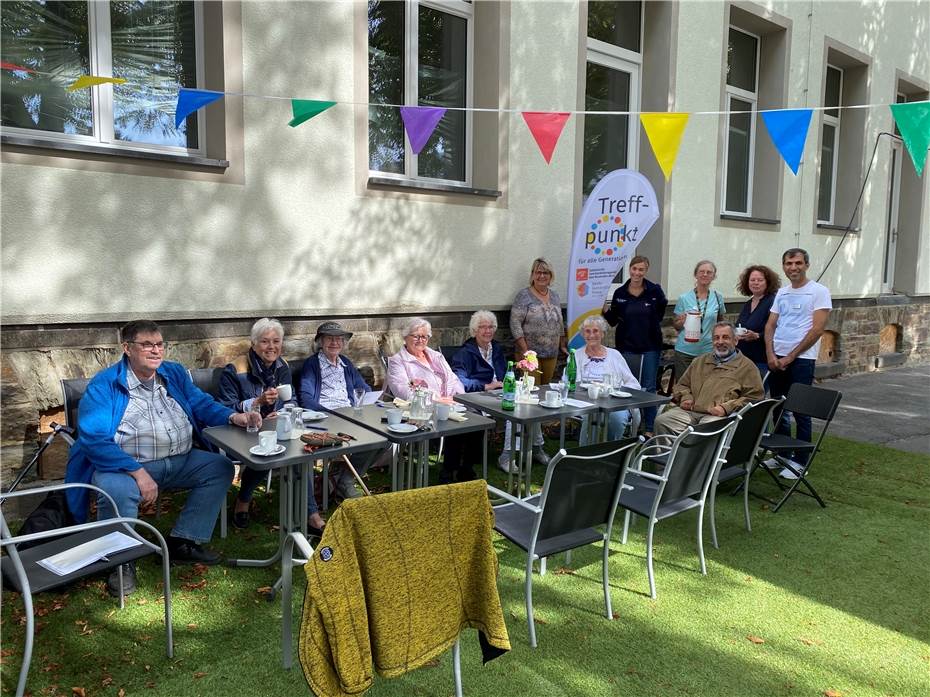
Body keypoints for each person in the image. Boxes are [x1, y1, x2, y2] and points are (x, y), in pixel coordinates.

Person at [64, 319, 260, 596]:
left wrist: (233, 416)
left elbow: (200, 402)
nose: (156, 351)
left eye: (159, 344)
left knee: (220, 467)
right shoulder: (105, 385)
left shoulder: (173, 373)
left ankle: (183, 541)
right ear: (127, 348)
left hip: (179, 460)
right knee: (115, 489)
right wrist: (137, 472)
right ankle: (120, 562)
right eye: (147, 345)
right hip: (125, 468)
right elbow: (93, 439)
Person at [218, 318, 317, 531]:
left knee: (302, 450)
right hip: (242, 430)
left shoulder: (282, 366)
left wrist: (281, 411)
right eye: (265, 342)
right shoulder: (235, 369)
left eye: (276, 341)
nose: (271, 347)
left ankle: (311, 514)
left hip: (274, 427)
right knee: (269, 450)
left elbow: (291, 400)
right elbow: (226, 407)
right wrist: (257, 403)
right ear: (253, 344)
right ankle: (243, 500)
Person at [386, 318, 479, 484]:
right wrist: (437, 399)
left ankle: (467, 468)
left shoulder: (436, 356)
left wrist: (455, 397)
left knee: (478, 419)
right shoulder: (398, 361)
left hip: (451, 402)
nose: (421, 340)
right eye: (416, 336)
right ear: (405, 337)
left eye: (425, 337)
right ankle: (448, 472)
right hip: (422, 409)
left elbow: (453, 379)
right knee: (453, 425)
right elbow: (402, 391)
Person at [764, 248, 832, 476]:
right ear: (783, 266)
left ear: (806, 265)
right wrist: (771, 356)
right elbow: (770, 326)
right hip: (777, 359)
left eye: (798, 263)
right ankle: (782, 454)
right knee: (778, 408)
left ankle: (800, 462)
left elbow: (817, 329)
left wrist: (790, 356)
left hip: (801, 360)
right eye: (789, 263)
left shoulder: (819, 292)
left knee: (801, 411)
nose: (793, 267)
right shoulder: (782, 293)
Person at [299, 320, 378, 500]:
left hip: (350, 415)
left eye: (339, 339)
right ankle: (340, 481)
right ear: (320, 342)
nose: (334, 343)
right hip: (327, 418)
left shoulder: (345, 364)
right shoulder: (312, 365)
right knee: (368, 436)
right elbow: (306, 398)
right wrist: (332, 414)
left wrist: (365, 397)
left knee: (383, 439)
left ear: (343, 343)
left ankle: (345, 479)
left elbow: (363, 388)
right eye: (329, 339)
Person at [655, 322, 763, 436]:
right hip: (690, 411)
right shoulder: (699, 361)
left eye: (725, 337)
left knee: (708, 428)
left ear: (735, 341)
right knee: (663, 421)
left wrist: (726, 408)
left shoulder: (747, 367)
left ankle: (697, 454)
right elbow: (682, 385)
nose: (720, 342)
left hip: (719, 416)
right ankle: (668, 454)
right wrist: (686, 397)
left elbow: (755, 398)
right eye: (716, 338)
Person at [602, 255, 668, 436]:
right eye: (634, 269)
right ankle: (629, 425)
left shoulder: (655, 291)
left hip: (650, 346)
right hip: (626, 346)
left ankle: (648, 428)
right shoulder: (620, 293)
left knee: (648, 387)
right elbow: (613, 321)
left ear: (646, 271)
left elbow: (660, 314)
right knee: (628, 386)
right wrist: (605, 310)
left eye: (641, 269)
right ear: (629, 269)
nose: (637, 273)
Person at [450, 310, 518, 473]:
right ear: (474, 330)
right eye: (482, 327)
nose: (487, 331)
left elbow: (505, 373)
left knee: (524, 408)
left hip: (500, 393)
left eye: (491, 327)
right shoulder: (465, 353)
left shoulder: (496, 348)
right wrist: (487, 386)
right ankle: (507, 458)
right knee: (512, 413)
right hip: (478, 397)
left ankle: (532, 449)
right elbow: (460, 381)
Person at [574, 316, 641, 443]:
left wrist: (619, 393)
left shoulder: (615, 355)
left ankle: (611, 449)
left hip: (614, 401)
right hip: (587, 401)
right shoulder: (576, 355)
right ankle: (585, 452)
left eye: (595, 331)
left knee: (617, 418)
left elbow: (632, 383)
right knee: (590, 416)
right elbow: (570, 382)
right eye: (587, 331)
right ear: (583, 334)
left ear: (603, 333)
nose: (591, 335)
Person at [509, 257, 567, 385]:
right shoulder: (524, 295)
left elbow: (560, 322)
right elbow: (515, 323)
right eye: (538, 272)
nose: (542, 276)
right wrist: (525, 351)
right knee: (531, 390)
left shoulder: (555, 296)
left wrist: (562, 344)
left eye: (545, 273)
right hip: (529, 354)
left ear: (551, 276)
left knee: (545, 389)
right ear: (532, 275)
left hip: (551, 353)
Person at [672, 260, 726, 381]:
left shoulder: (718, 297)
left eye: (709, 272)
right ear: (696, 275)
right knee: (684, 388)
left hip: (708, 351)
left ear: (714, 276)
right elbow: (676, 325)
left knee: (705, 387)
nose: (705, 274)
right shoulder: (684, 298)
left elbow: (721, 323)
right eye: (702, 271)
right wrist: (682, 320)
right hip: (685, 351)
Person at [734, 265, 781, 379]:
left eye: (760, 280)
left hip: (762, 359)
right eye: (752, 280)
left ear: (768, 282)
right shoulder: (749, 303)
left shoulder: (773, 301)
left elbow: (779, 329)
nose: (755, 283)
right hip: (744, 359)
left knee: (757, 394)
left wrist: (757, 336)